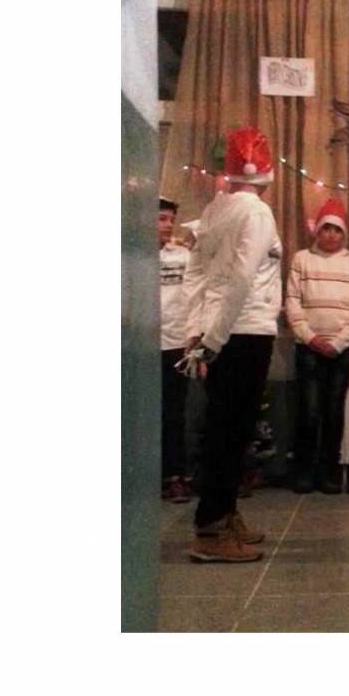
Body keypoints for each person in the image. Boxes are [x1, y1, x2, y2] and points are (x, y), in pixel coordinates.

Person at [182, 126, 283, 563]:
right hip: (244, 332)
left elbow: (196, 273)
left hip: (221, 331)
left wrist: (198, 331)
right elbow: (241, 277)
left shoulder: (215, 209)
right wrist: (214, 339)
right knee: (231, 432)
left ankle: (224, 514)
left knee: (226, 429)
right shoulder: (256, 212)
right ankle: (210, 530)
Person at [285, 198, 349, 495]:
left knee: (334, 411)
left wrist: (340, 341)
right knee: (309, 411)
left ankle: (330, 471)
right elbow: (292, 301)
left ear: (343, 233)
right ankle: (304, 471)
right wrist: (310, 337)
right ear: (317, 231)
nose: (331, 235)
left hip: (342, 349)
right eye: (326, 229)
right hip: (309, 346)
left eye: (337, 230)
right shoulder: (301, 259)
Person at [159, 197, 192, 503]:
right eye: (161, 219)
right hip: (137, 347)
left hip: (175, 344)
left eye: (171, 219)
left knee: (174, 413)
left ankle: (174, 475)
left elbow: (193, 295)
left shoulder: (182, 256)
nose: (168, 225)